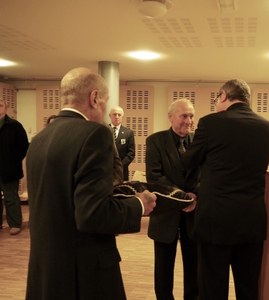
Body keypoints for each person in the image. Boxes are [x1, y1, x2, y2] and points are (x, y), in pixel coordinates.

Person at [25, 67, 157, 300]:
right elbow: (93, 214)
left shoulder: (39, 139)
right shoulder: (94, 134)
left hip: (45, 267)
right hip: (83, 272)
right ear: (94, 98)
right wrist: (138, 204)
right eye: (105, 102)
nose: (105, 112)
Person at [181, 79, 269, 300]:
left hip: (216, 220)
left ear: (223, 96)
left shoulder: (210, 123)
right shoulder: (265, 126)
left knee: (212, 288)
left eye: (216, 99)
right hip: (251, 219)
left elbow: (188, 162)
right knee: (248, 288)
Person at [146, 98, 199, 300]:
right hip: (166, 214)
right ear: (170, 117)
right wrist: (184, 198)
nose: (189, 120)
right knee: (163, 271)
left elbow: (204, 175)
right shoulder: (155, 142)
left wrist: (195, 196)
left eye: (192, 115)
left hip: (193, 216)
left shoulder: (199, 143)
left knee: (194, 269)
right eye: (184, 115)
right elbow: (155, 178)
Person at [0, 98, 29, 235]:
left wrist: (13, 160)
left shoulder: (15, 125)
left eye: (0, 105)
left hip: (9, 169)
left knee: (11, 198)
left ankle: (15, 224)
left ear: (5, 108)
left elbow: (24, 146)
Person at [109, 106, 135, 181]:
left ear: (122, 116)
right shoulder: (104, 130)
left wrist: (119, 165)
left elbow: (131, 153)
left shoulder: (128, 133)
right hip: (105, 171)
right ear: (110, 115)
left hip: (122, 171)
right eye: (114, 114)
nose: (117, 117)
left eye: (119, 115)